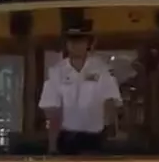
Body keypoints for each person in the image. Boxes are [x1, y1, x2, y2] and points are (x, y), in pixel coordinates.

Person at [38, 26, 122, 155]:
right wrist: (52, 146)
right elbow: (53, 111)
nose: (76, 45)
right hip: (66, 138)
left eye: (80, 41)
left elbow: (110, 102)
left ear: (88, 43)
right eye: (72, 41)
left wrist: (109, 133)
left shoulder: (102, 70)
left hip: (95, 137)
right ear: (66, 44)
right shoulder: (56, 71)